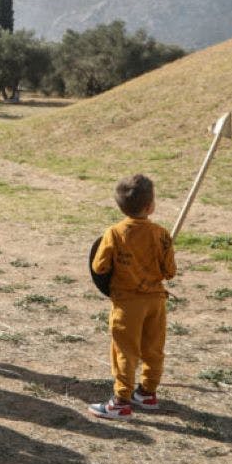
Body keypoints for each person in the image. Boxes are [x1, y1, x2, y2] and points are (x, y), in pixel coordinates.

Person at [88, 174, 176, 420]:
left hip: (127, 304)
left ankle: (120, 402)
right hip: (156, 301)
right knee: (153, 348)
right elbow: (170, 271)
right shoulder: (161, 234)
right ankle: (148, 392)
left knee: (125, 351)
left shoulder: (114, 233)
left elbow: (99, 266)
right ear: (150, 206)